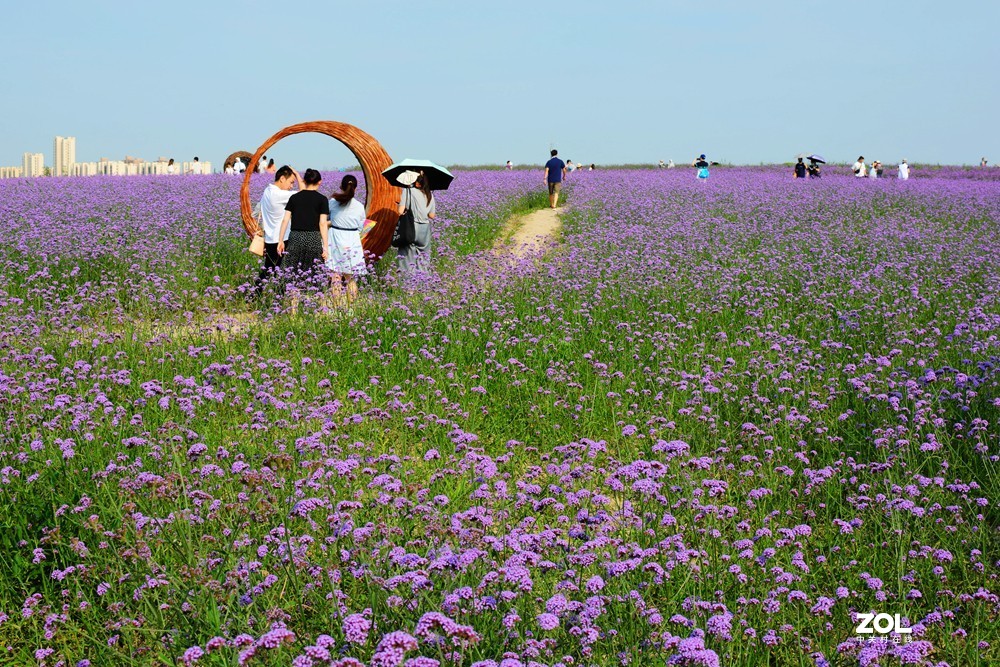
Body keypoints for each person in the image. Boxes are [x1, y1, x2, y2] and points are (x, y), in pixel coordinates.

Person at [251, 165, 302, 297]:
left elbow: (255, 212)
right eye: (291, 182)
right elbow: (303, 194)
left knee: (269, 270)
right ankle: (279, 298)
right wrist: (297, 173)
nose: (291, 186)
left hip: (270, 239)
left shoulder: (267, 191)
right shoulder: (279, 194)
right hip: (282, 239)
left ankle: (253, 296)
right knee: (283, 271)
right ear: (282, 179)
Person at [277, 169, 330, 289]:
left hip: (296, 237)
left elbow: (285, 220)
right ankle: (312, 300)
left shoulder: (294, 198)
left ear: (304, 181)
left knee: (292, 271)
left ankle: (293, 305)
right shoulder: (322, 199)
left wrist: (280, 240)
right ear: (320, 182)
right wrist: (325, 247)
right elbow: (322, 223)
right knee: (314, 271)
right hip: (313, 237)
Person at [326, 174, 368, 303]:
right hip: (352, 239)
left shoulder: (332, 202)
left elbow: (326, 220)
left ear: (341, 187)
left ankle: (337, 306)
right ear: (355, 189)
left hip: (335, 238)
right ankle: (352, 306)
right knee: (350, 277)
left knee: (336, 276)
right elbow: (363, 227)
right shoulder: (360, 206)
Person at [396, 171, 436, 276]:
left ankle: (408, 287)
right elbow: (432, 215)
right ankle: (423, 284)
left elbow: (400, 211)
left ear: (417, 183)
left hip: (411, 227)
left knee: (407, 257)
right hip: (425, 229)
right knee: (424, 257)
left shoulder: (408, 191)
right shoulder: (429, 194)